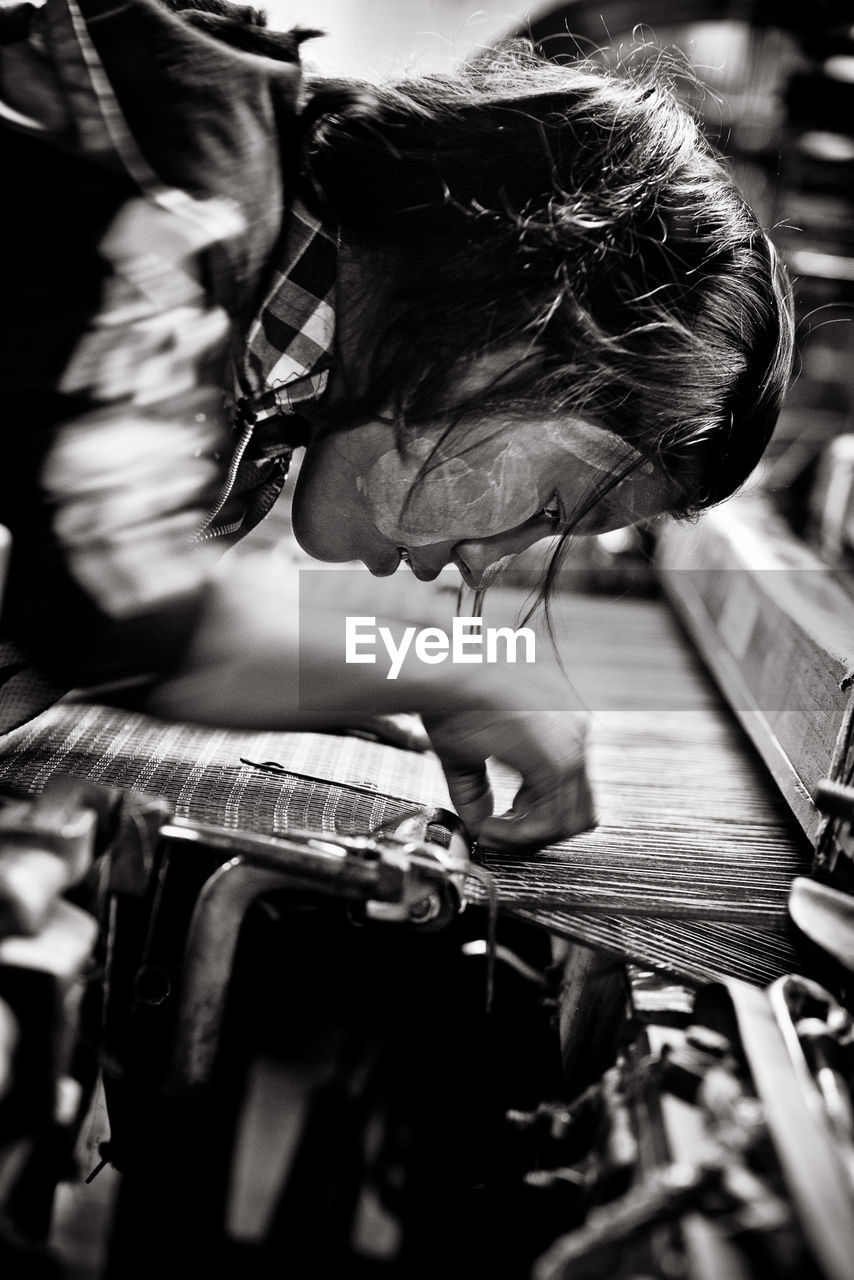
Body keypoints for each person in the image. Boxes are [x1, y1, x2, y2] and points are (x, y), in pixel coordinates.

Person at [0, 0, 794, 852]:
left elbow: (63, 604)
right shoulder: (168, 210)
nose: (490, 558)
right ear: (521, 333)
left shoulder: (262, 380)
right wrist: (449, 671)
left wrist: (319, 661)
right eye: (556, 510)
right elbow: (106, 614)